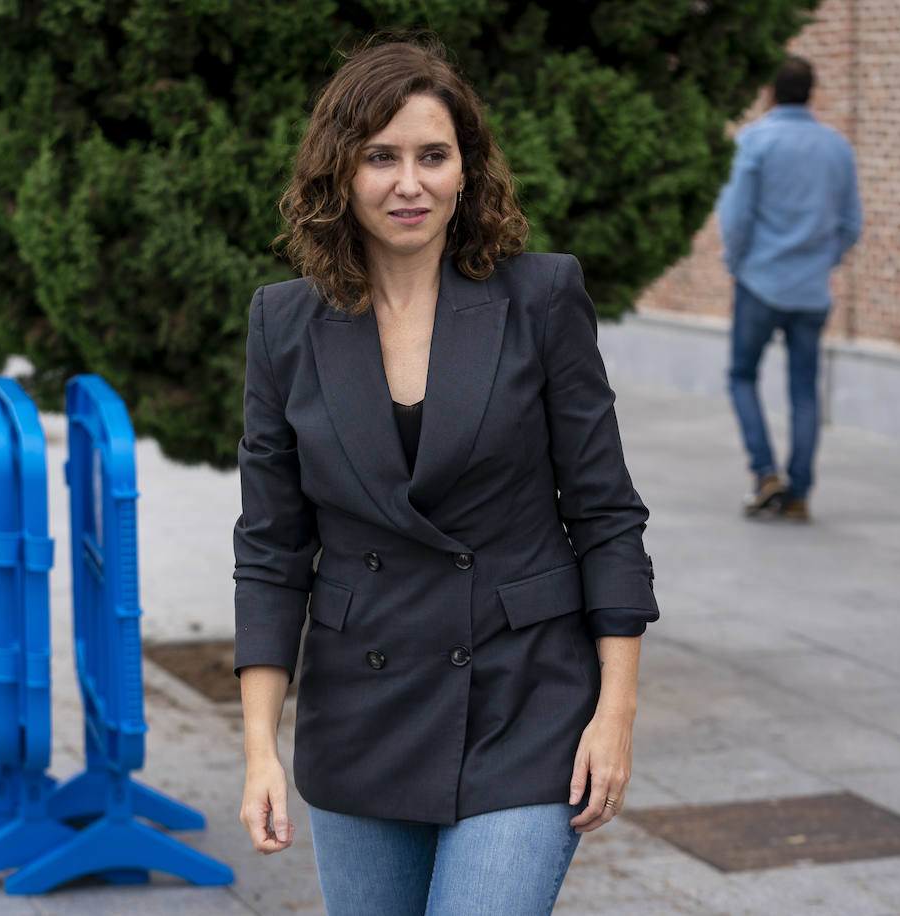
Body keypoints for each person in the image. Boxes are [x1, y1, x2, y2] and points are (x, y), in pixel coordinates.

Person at [232, 37, 659, 915]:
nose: (409, 183)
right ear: (339, 173)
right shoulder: (285, 324)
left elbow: (607, 515)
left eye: (434, 156)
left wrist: (613, 715)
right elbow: (272, 550)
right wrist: (260, 749)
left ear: (467, 170)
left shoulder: (540, 299)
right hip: (363, 708)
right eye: (380, 158)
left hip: (524, 694)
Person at [717, 56, 862, 521]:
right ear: (811, 93)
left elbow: (736, 218)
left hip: (759, 282)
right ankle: (799, 494)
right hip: (811, 291)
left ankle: (765, 473)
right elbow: (851, 225)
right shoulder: (838, 148)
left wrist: (737, 265)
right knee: (804, 391)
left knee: (742, 376)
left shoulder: (755, 140)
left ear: (771, 93)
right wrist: (823, 262)